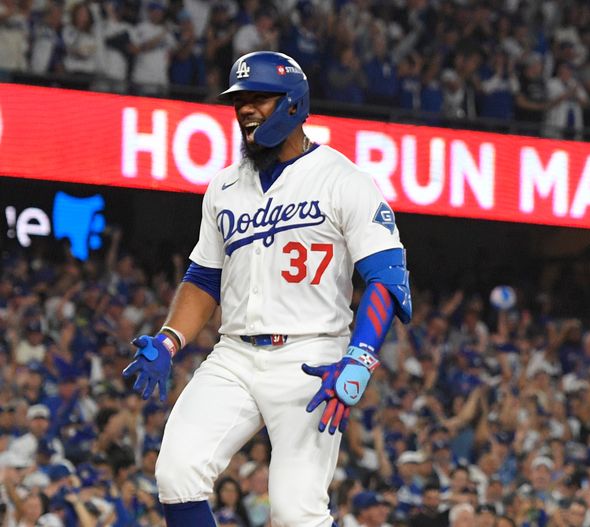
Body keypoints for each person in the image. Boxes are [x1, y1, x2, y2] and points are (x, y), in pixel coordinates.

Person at [121, 50, 412, 527]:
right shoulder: (224, 186)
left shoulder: (343, 179)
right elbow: (202, 278)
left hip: (310, 357)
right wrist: (169, 339)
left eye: (260, 98)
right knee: (176, 475)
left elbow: (386, 277)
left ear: (294, 104)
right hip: (233, 354)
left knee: (296, 514)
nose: (246, 109)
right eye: (240, 100)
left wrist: (359, 357)